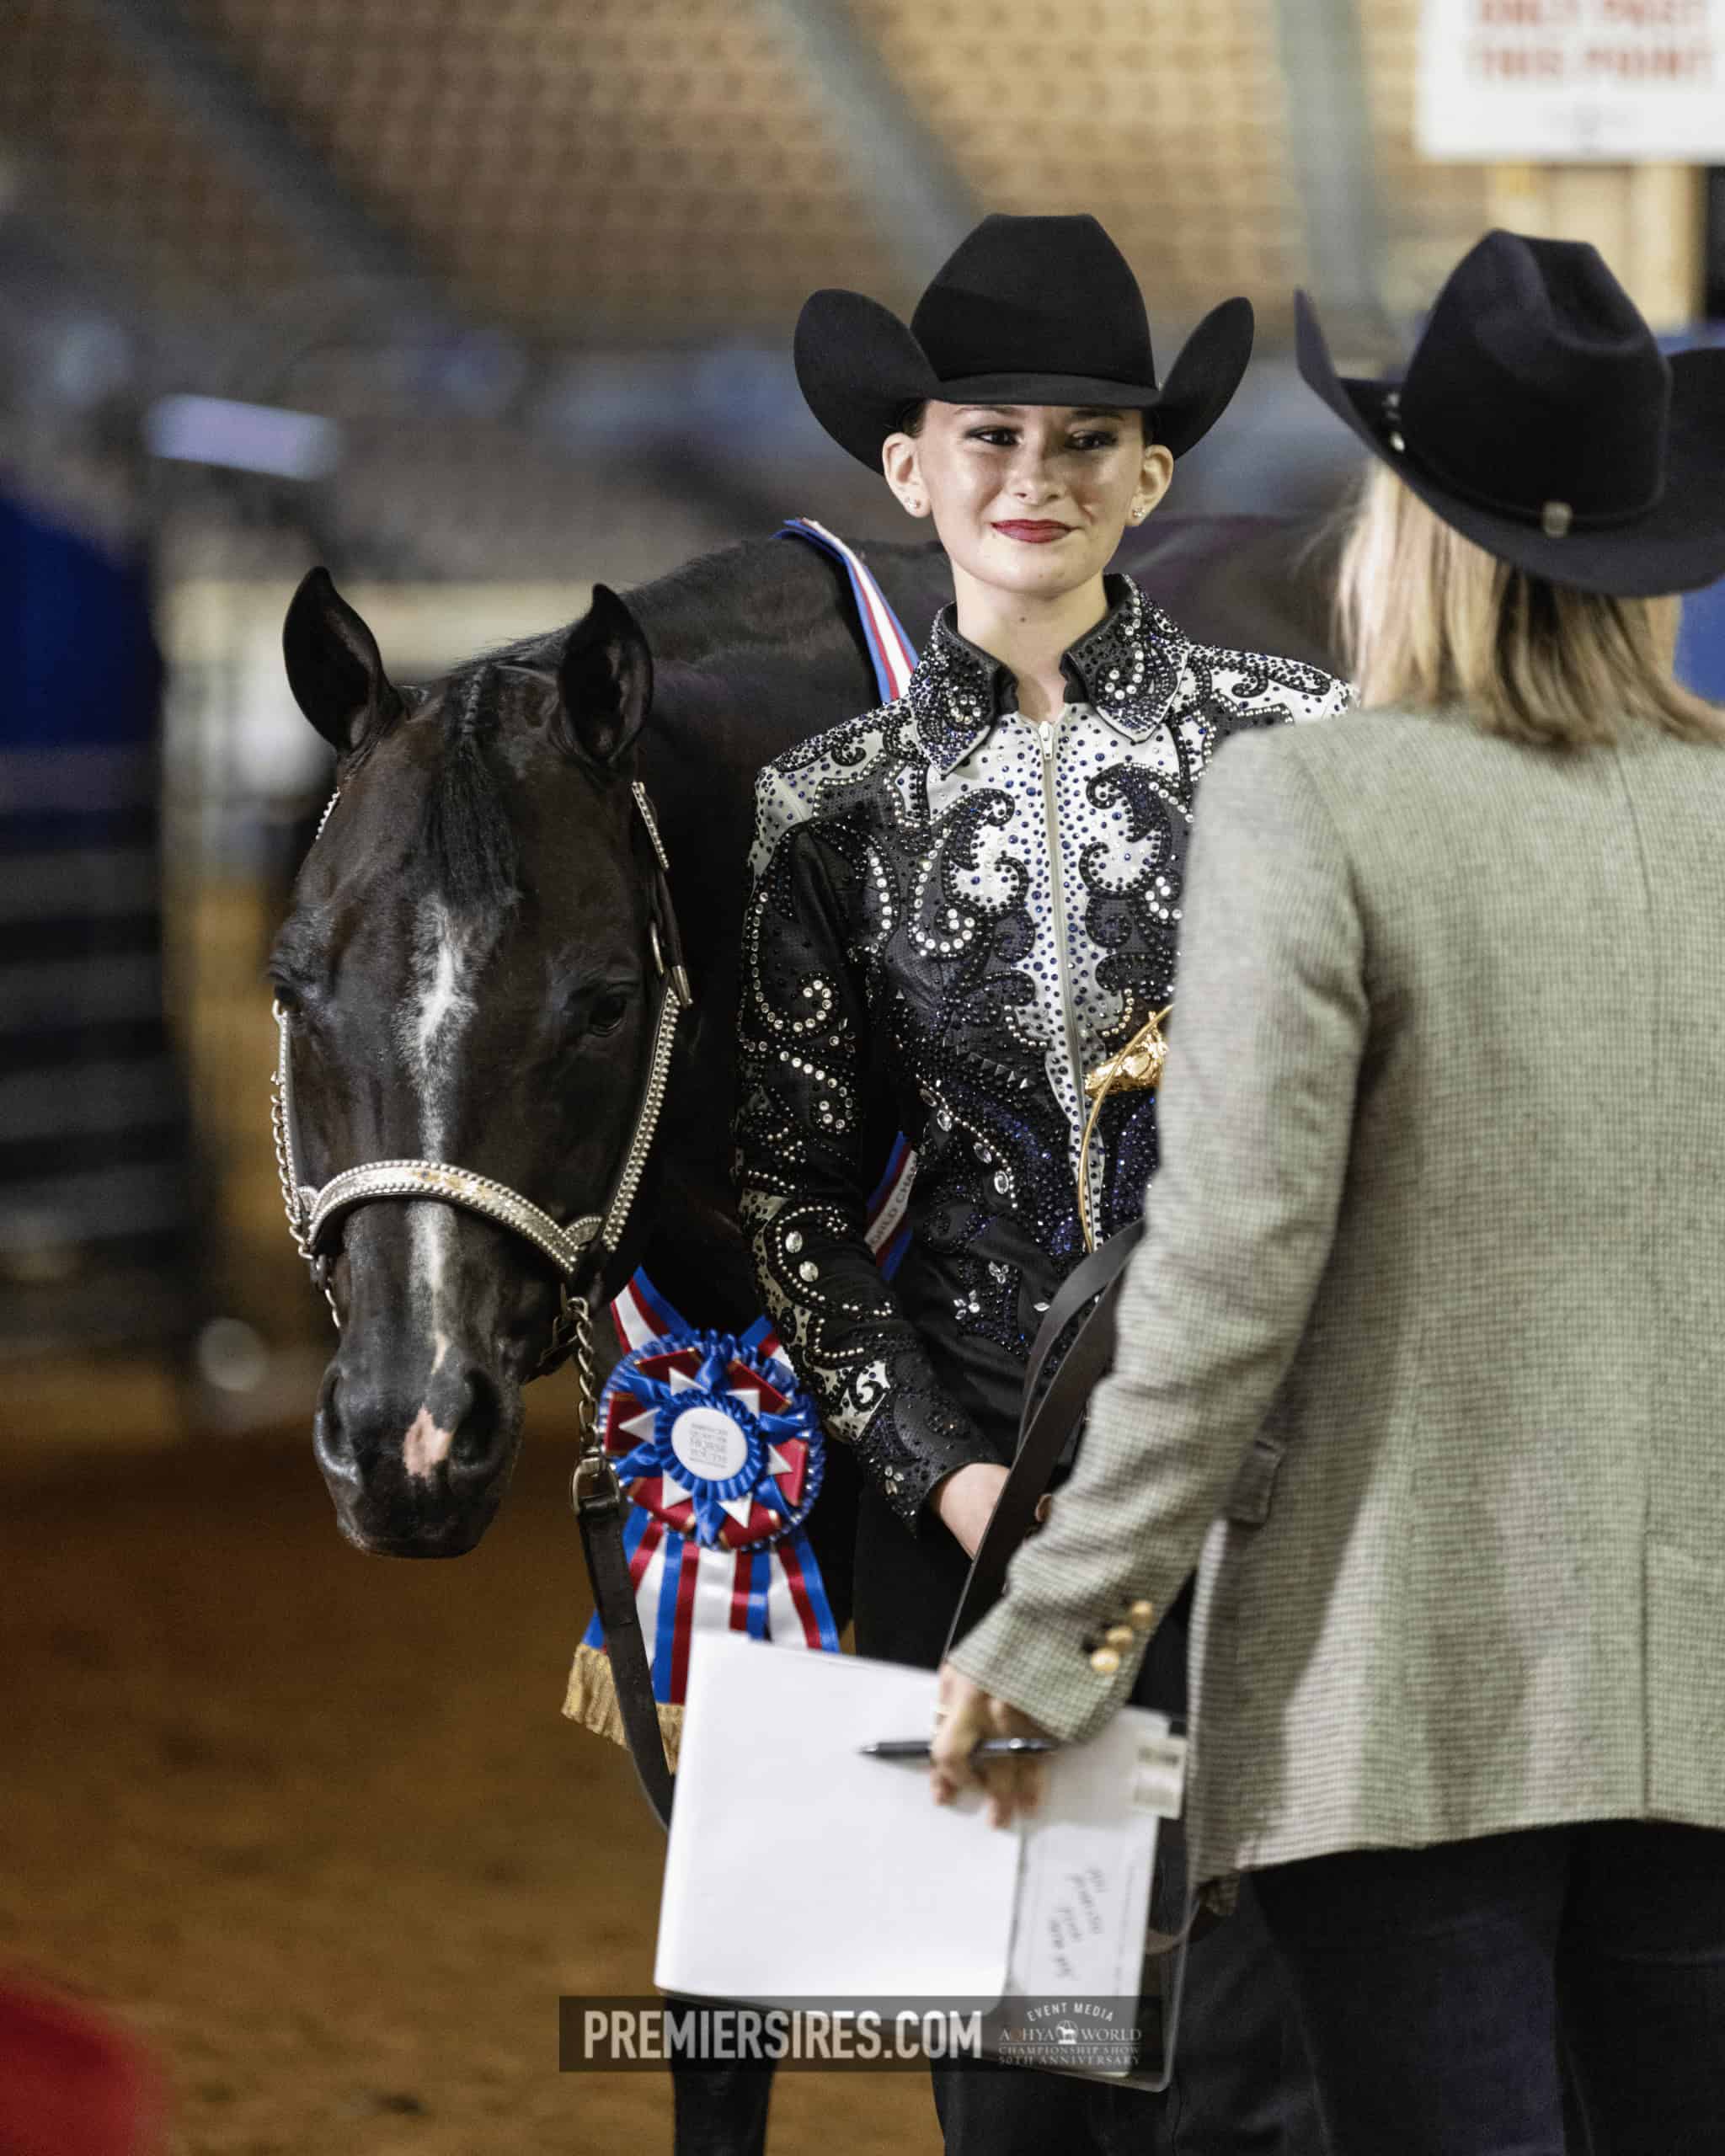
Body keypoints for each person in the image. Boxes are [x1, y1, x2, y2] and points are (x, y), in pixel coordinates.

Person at [934, 227, 1725, 2156]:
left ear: (1409, 522)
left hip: (1408, 1689)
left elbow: (1227, 1275)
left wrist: (1056, 1628)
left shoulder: (1315, 799)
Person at [732, 212, 1347, 2154]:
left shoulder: (1300, 750)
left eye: (1087, 438)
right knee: (1018, 2087)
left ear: (1149, 476)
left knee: (1260, 2075)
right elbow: (792, 1192)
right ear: (906, 469)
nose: (1036, 475)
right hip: (979, 1494)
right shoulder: (827, 807)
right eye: (988, 435)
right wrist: (948, 1474)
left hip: (1265, 1491)